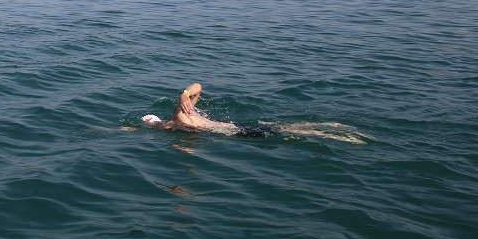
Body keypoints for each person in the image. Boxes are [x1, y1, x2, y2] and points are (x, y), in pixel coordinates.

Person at [143, 82, 362, 142]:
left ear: (161, 122)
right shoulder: (181, 122)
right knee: (284, 129)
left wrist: (183, 94)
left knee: (287, 134)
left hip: (237, 133)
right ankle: (332, 127)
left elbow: (198, 85)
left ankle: (332, 133)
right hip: (238, 128)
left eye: (155, 124)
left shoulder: (181, 115)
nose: (158, 127)